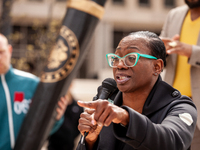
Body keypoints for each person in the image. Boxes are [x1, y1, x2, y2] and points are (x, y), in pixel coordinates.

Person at [76, 31, 197, 150]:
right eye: (116, 58)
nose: (120, 65)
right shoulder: (107, 96)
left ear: (157, 67)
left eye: (131, 57)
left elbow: (172, 142)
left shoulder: (180, 106)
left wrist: (126, 117)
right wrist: (90, 141)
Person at [0, 33, 67, 150]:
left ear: (10, 50)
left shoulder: (32, 83)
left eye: (1, 52)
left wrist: (55, 118)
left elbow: (44, 128)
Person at [160, 0, 200, 149]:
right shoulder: (174, 15)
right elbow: (160, 59)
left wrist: (192, 51)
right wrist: (160, 49)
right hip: (173, 104)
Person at [48, 86, 83, 150]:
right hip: (53, 145)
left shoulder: (78, 106)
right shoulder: (54, 106)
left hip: (70, 146)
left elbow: (78, 129)